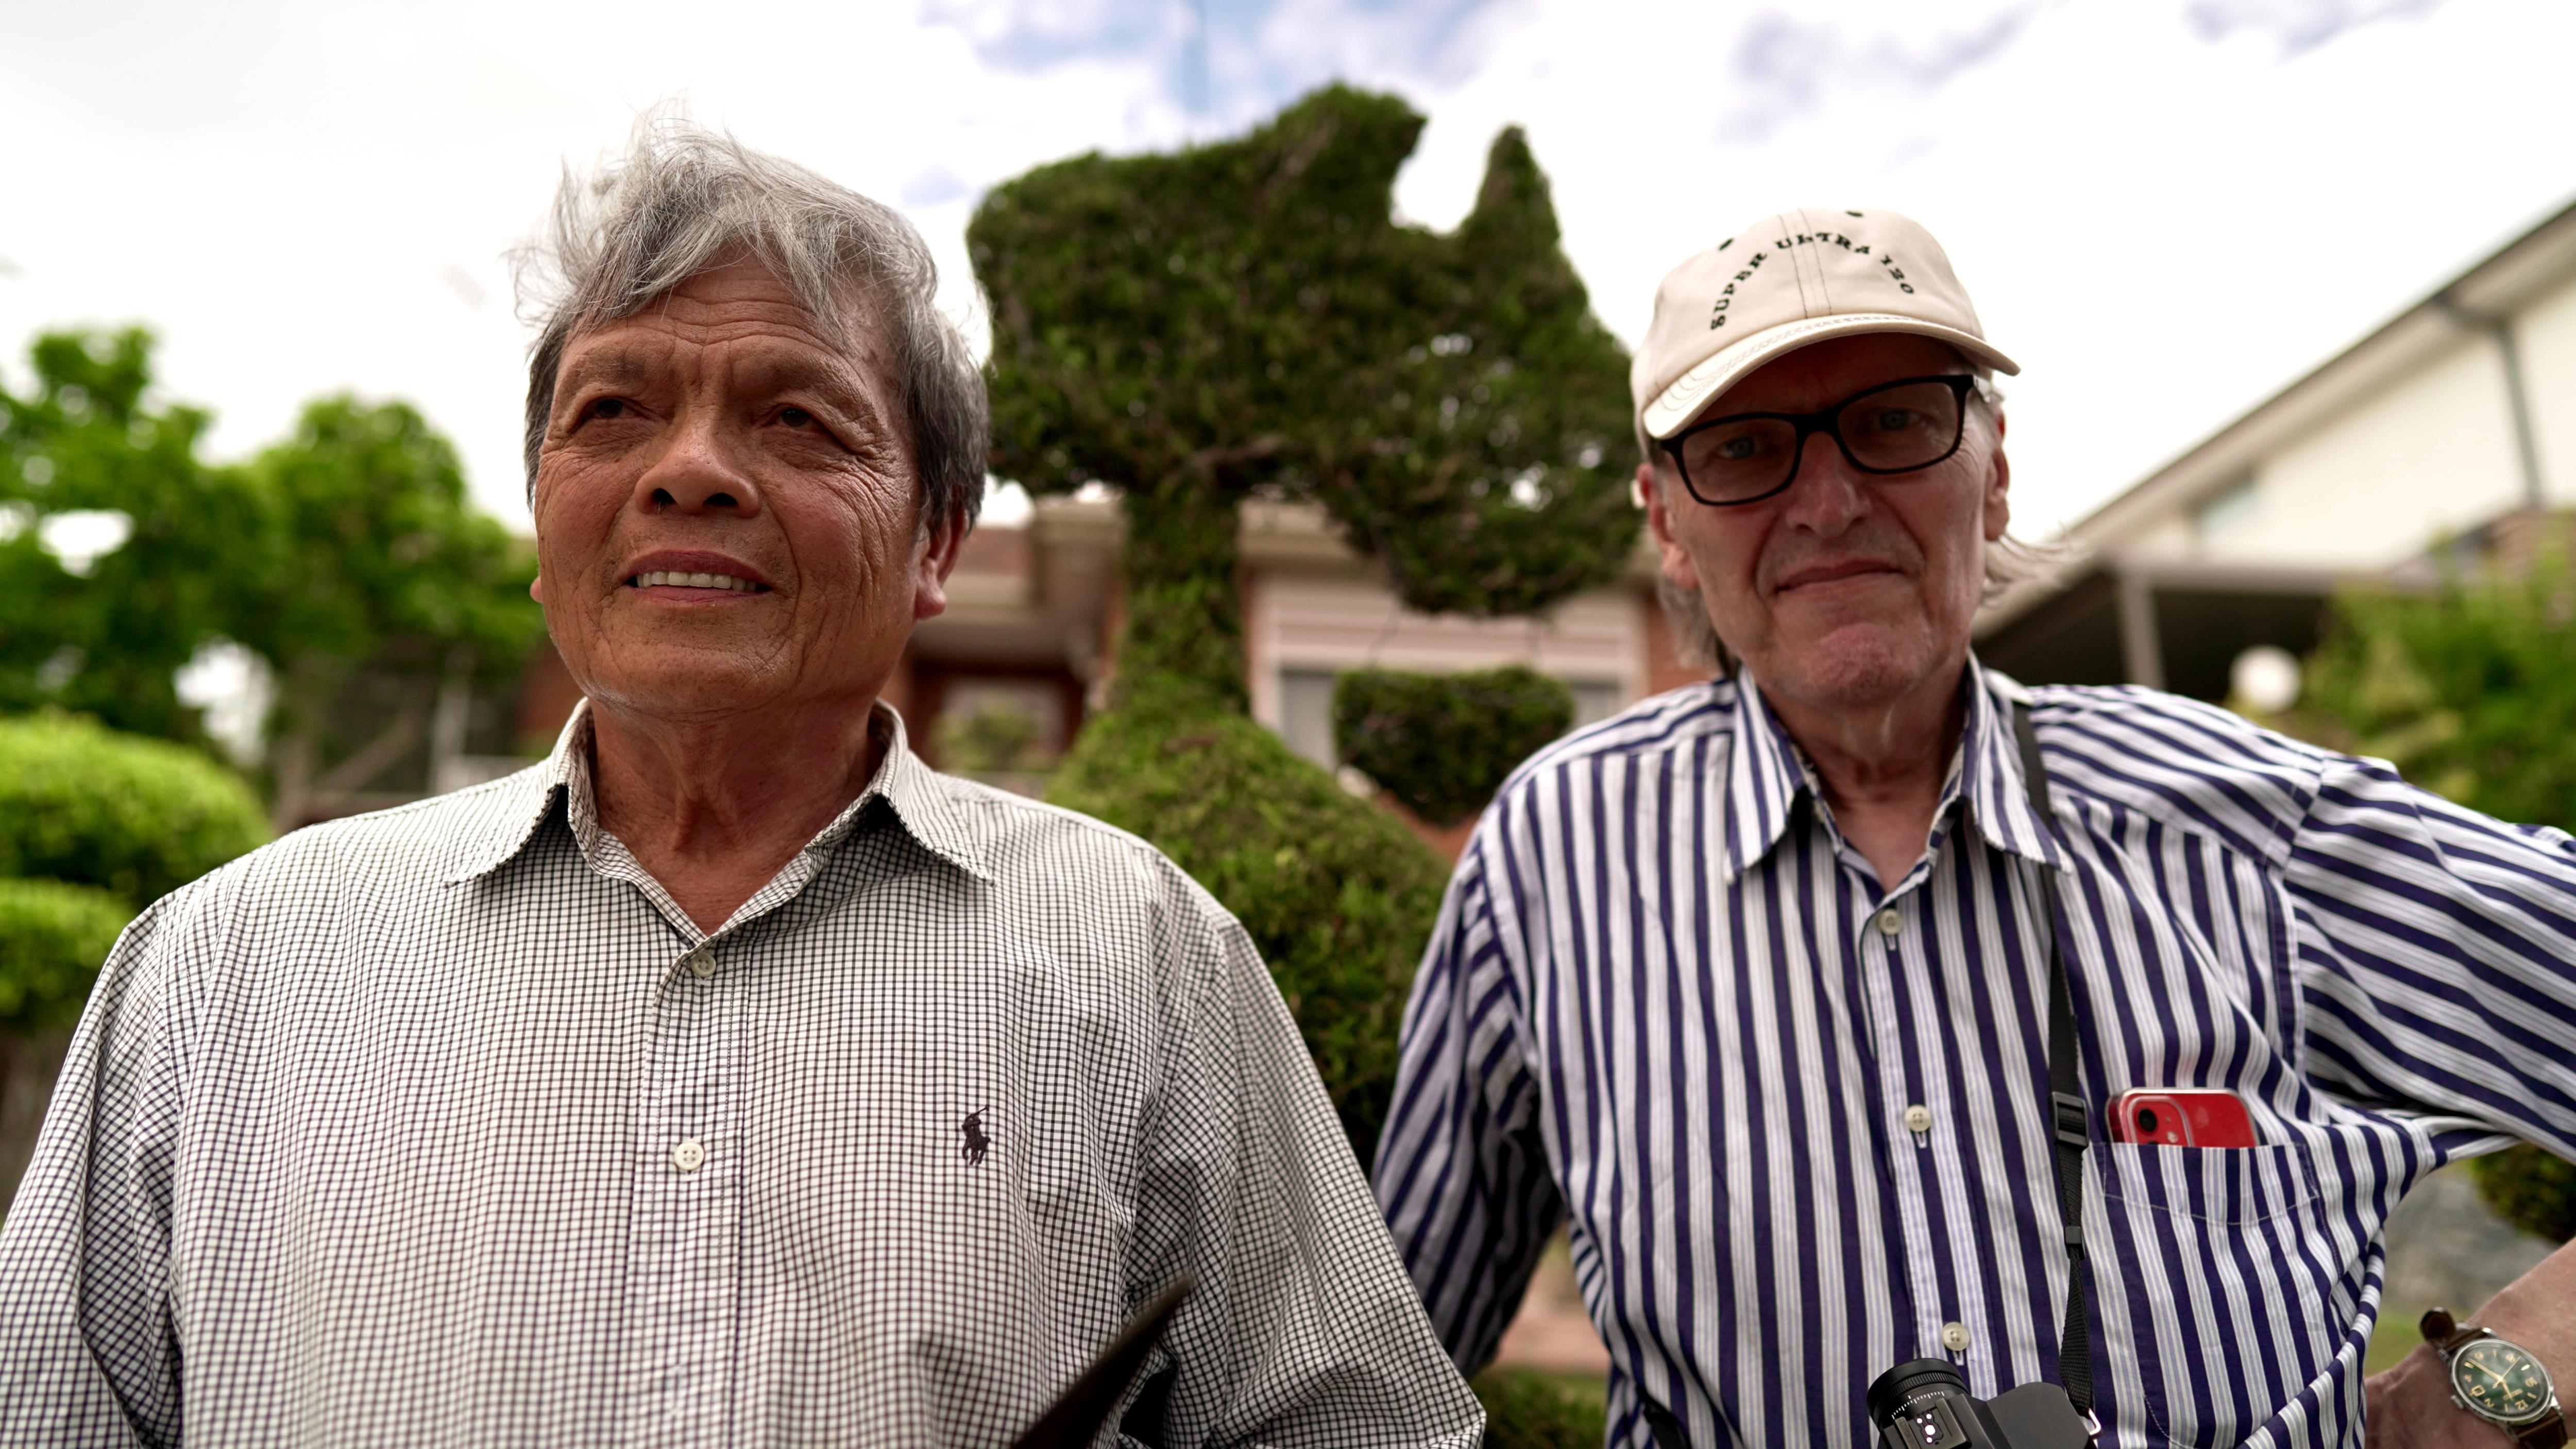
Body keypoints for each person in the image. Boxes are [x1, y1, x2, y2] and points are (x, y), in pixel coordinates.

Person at [0, 120, 1480, 1449]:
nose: (691, 470)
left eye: (798, 418)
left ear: (936, 541)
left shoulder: (1144, 952)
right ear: (545, 519)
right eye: (613, 412)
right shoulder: (222, 964)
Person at [1373, 206, 2576, 1448]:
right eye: (1741, 449)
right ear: (1667, 523)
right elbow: (1375, 1377)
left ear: (1992, 473)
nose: (1829, 502)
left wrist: (2488, 1389)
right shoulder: (1552, 862)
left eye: (1893, 421)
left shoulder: (2250, 827)